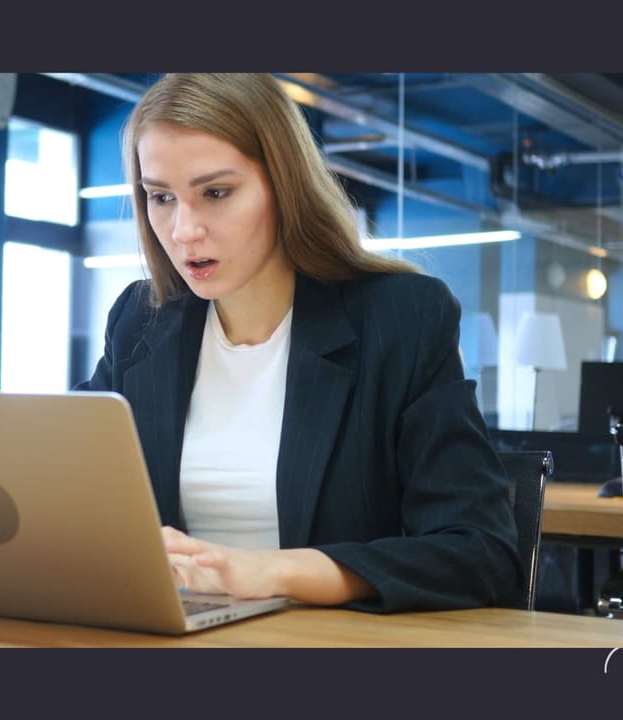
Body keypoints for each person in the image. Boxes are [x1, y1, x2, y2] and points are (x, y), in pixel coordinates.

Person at [75, 73, 522, 613]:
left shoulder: (402, 317)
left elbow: (480, 555)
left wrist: (267, 571)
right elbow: (68, 492)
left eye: (216, 193)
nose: (184, 230)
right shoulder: (140, 321)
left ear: (284, 186)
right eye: (161, 197)